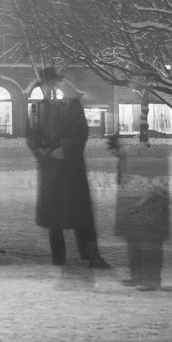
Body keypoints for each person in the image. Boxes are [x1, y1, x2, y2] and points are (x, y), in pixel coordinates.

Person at [25, 67, 110, 269]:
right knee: (55, 219)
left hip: (71, 170)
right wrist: (44, 154)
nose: (51, 88)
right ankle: (59, 259)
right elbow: (31, 137)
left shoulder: (73, 106)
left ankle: (92, 255)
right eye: (47, 84)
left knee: (81, 215)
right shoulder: (37, 109)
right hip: (51, 170)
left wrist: (66, 149)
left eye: (53, 84)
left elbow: (82, 133)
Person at [107, 133, 170, 290]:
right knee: (135, 242)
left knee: (149, 243)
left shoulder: (153, 161)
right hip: (136, 206)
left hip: (149, 208)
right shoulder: (131, 158)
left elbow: (158, 187)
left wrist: (141, 201)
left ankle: (150, 280)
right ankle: (138, 276)